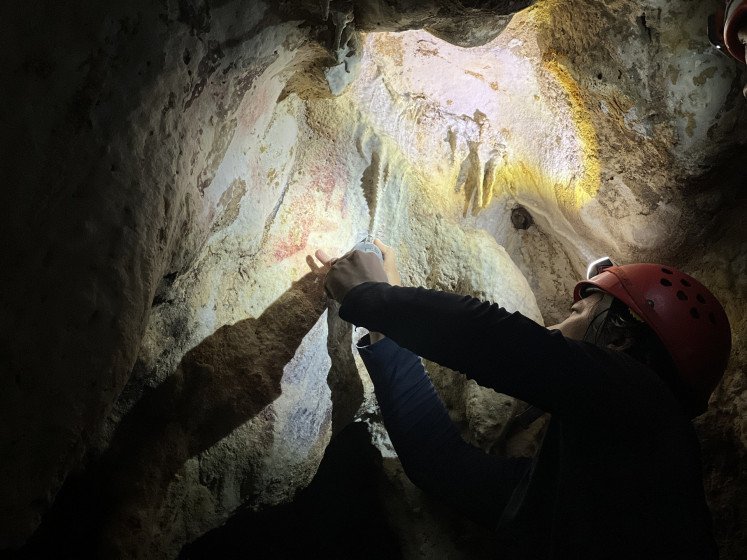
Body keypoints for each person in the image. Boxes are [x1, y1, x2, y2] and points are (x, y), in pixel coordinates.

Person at [314, 240, 731, 559]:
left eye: (575, 315)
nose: (552, 329)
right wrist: (386, 324)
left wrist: (372, 296)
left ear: (619, 340)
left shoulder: (646, 401)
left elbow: (504, 342)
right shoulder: (577, 490)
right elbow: (440, 464)